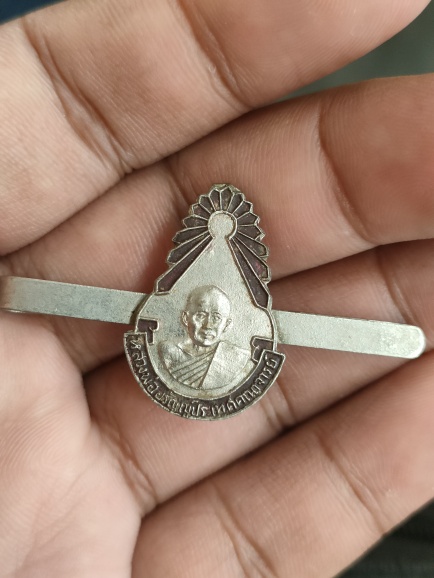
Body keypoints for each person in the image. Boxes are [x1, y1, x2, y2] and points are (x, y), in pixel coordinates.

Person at [0, 0, 433, 577]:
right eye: (199, 316)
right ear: (187, 316)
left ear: (230, 324)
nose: (205, 326)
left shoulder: (228, 358)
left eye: (215, 319)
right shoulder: (172, 351)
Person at [159, 285, 251, 390]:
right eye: (200, 316)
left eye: (216, 318)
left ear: (227, 324)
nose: (208, 325)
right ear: (185, 318)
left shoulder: (238, 357)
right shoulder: (168, 351)